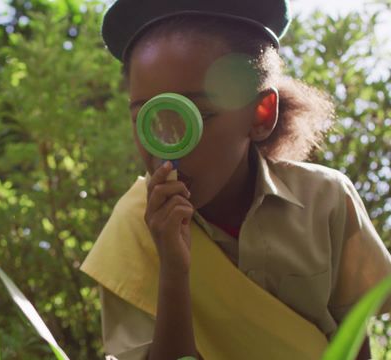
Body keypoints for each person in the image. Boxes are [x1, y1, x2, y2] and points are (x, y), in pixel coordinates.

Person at [79, 0, 391, 359]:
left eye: (194, 115)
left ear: (261, 114)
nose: (166, 146)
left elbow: (356, 341)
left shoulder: (326, 200)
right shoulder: (133, 227)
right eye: (147, 120)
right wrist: (173, 272)